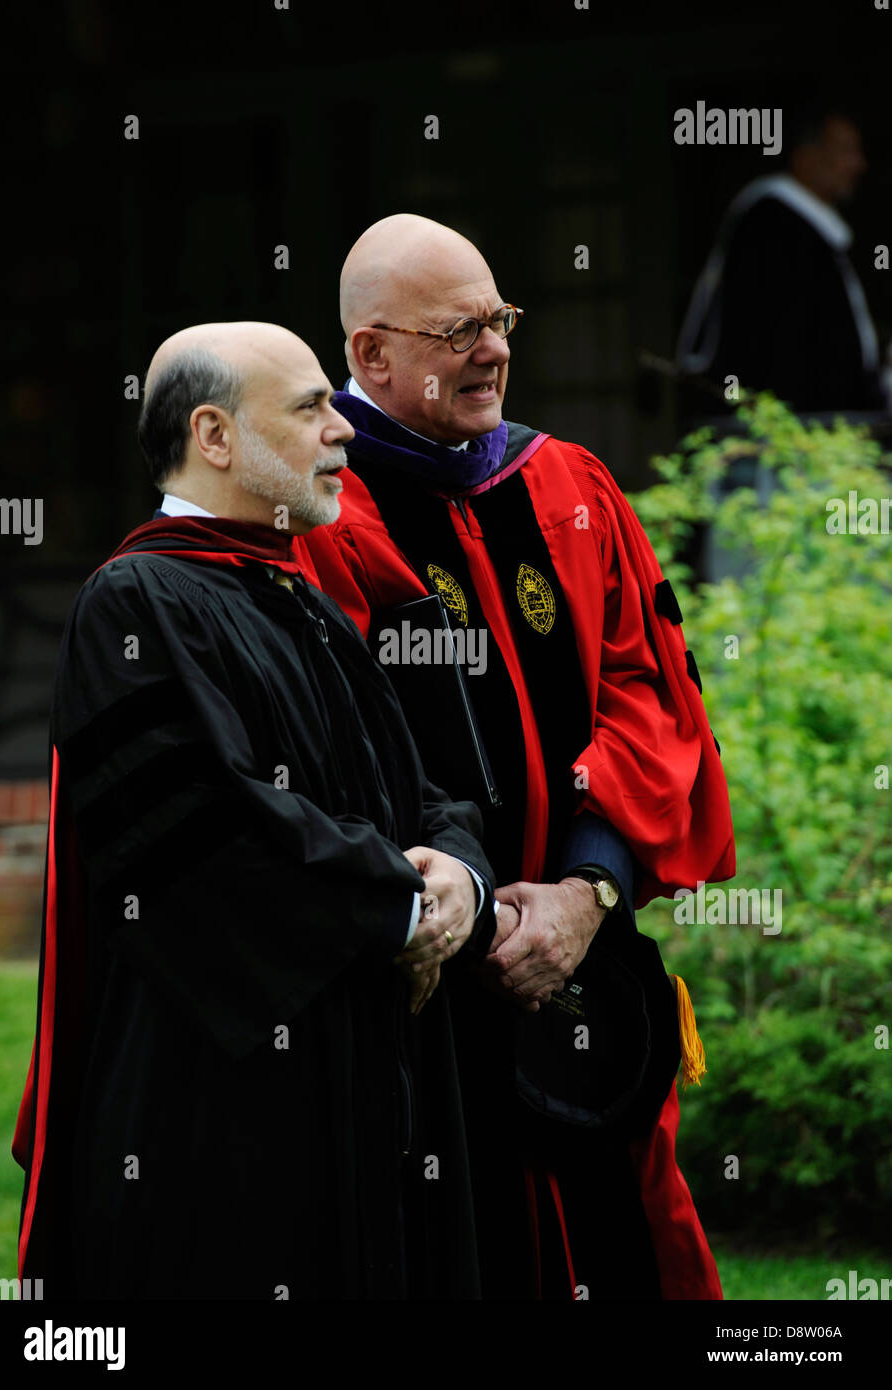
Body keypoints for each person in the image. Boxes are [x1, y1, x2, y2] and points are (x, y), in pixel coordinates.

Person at [296, 214, 737, 1300]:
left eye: (500, 320)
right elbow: (316, 768)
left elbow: (648, 694)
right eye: (459, 331)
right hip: (420, 989)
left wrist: (588, 886)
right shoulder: (314, 519)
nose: (493, 348)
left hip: (586, 973)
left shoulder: (569, 487)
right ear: (372, 356)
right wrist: (478, 908)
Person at [11, 320, 497, 1300]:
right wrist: (401, 905)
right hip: (224, 1100)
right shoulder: (135, 604)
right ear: (215, 436)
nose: (344, 430)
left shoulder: (302, 598)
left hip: (357, 1064)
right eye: (312, 406)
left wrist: (459, 873)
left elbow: (419, 787)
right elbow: (205, 837)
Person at [677, 104, 888, 414]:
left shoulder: (810, 230)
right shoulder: (772, 224)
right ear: (805, 156)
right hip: (784, 431)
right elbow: (782, 347)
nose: (859, 165)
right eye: (846, 151)